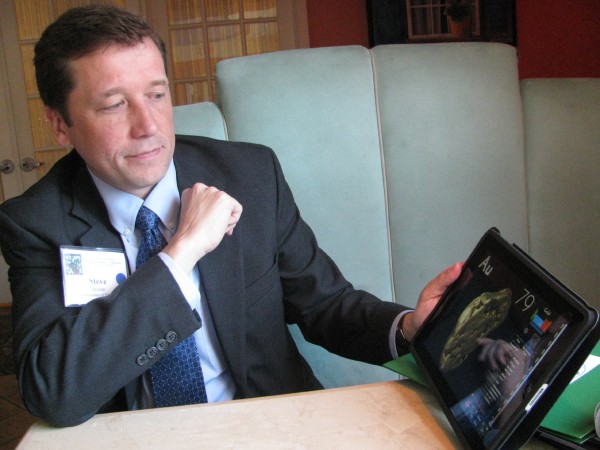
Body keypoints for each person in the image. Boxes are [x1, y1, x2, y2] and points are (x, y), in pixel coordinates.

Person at [0, 5, 462, 428]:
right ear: (60, 124)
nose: (148, 126)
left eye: (157, 95)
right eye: (114, 105)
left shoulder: (250, 175)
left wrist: (409, 328)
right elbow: (53, 391)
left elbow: (324, 305)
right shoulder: (36, 222)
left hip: (269, 425)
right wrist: (179, 255)